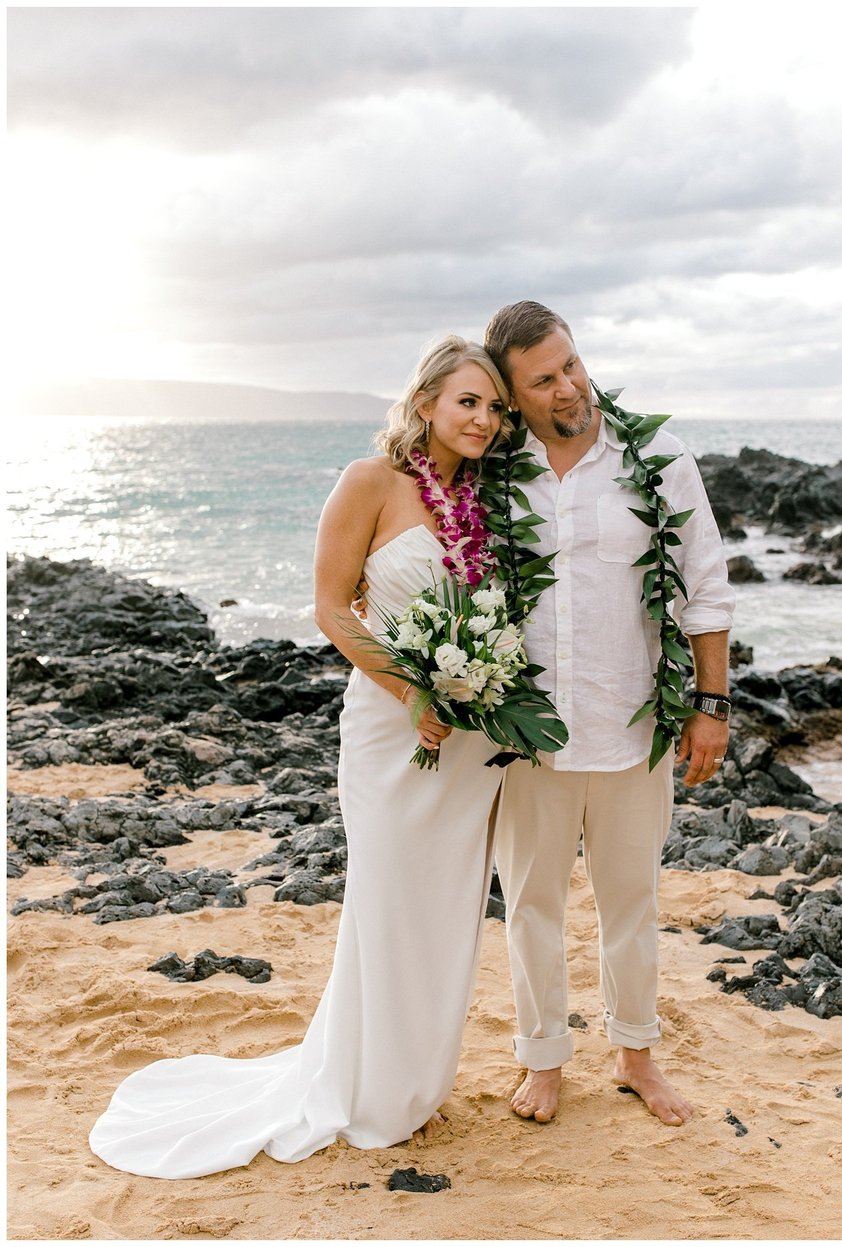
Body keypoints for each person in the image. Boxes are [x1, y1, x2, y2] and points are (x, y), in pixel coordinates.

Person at [89, 336, 511, 1178]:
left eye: (497, 407)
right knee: (388, 900)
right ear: (426, 401)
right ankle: (368, 1089)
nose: (485, 419)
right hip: (394, 730)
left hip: (470, 743)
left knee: (448, 907)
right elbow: (330, 608)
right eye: (469, 400)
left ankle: (415, 1086)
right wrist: (414, 693)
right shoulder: (369, 482)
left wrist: (483, 687)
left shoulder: (488, 503)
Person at [482, 301, 735, 1128]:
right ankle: (543, 1058)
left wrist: (711, 703)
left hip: (636, 721)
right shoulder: (493, 466)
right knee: (532, 903)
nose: (569, 387)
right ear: (511, 393)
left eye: (572, 363)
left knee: (632, 897)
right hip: (527, 730)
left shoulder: (657, 454)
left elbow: (705, 581)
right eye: (544, 379)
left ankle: (635, 1055)